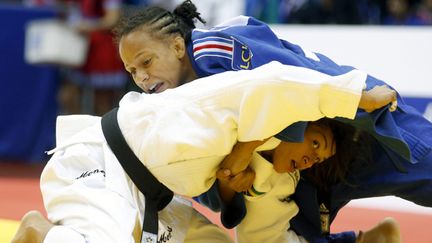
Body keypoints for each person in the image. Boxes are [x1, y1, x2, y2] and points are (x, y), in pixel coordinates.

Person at [113, 1, 430, 242]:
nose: (141, 76)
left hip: (346, 124)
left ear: (178, 46)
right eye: (132, 71)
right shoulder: (171, 112)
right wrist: (229, 186)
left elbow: (285, 79)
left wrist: (358, 96)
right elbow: (206, 182)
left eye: (147, 62)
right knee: (294, 234)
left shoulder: (214, 50)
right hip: (297, 171)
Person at [11, 61, 396, 243]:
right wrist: (357, 98)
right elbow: (276, 81)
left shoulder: (272, 178)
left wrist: (231, 189)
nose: (312, 158)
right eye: (314, 143)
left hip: (155, 197)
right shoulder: (233, 105)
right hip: (102, 161)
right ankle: (38, 230)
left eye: (319, 158)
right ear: (296, 121)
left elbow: (265, 237)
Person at [59, 0, 128, 115]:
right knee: (67, 96)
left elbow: (113, 19)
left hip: (102, 50)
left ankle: (102, 132)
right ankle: (79, 130)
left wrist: (87, 26)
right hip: (82, 49)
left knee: (102, 102)